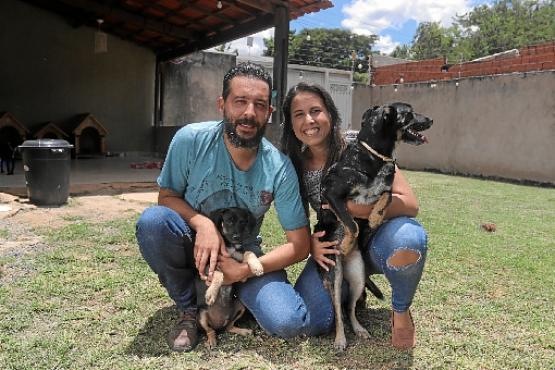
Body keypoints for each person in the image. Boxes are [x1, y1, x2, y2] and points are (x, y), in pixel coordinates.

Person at [135, 63, 335, 352]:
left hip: (247, 256)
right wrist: (202, 224)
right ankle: (189, 310)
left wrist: (241, 271)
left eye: (259, 105)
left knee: (288, 322)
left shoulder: (279, 167)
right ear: (222, 104)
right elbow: (166, 197)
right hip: (195, 249)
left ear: (270, 111)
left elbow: (300, 245)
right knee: (154, 222)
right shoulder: (191, 140)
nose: (249, 113)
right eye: (240, 101)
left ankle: (240, 298)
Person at [280, 82, 428, 350]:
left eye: (316, 110)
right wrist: (311, 244)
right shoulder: (293, 165)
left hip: (374, 241)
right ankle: (351, 292)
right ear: (290, 122)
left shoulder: (362, 143)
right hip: (337, 247)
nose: (309, 120)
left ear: (330, 113)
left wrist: (357, 210)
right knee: (315, 322)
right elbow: (297, 222)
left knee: (410, 237)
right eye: (298, 114)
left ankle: (401, 309)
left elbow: (410, 204)